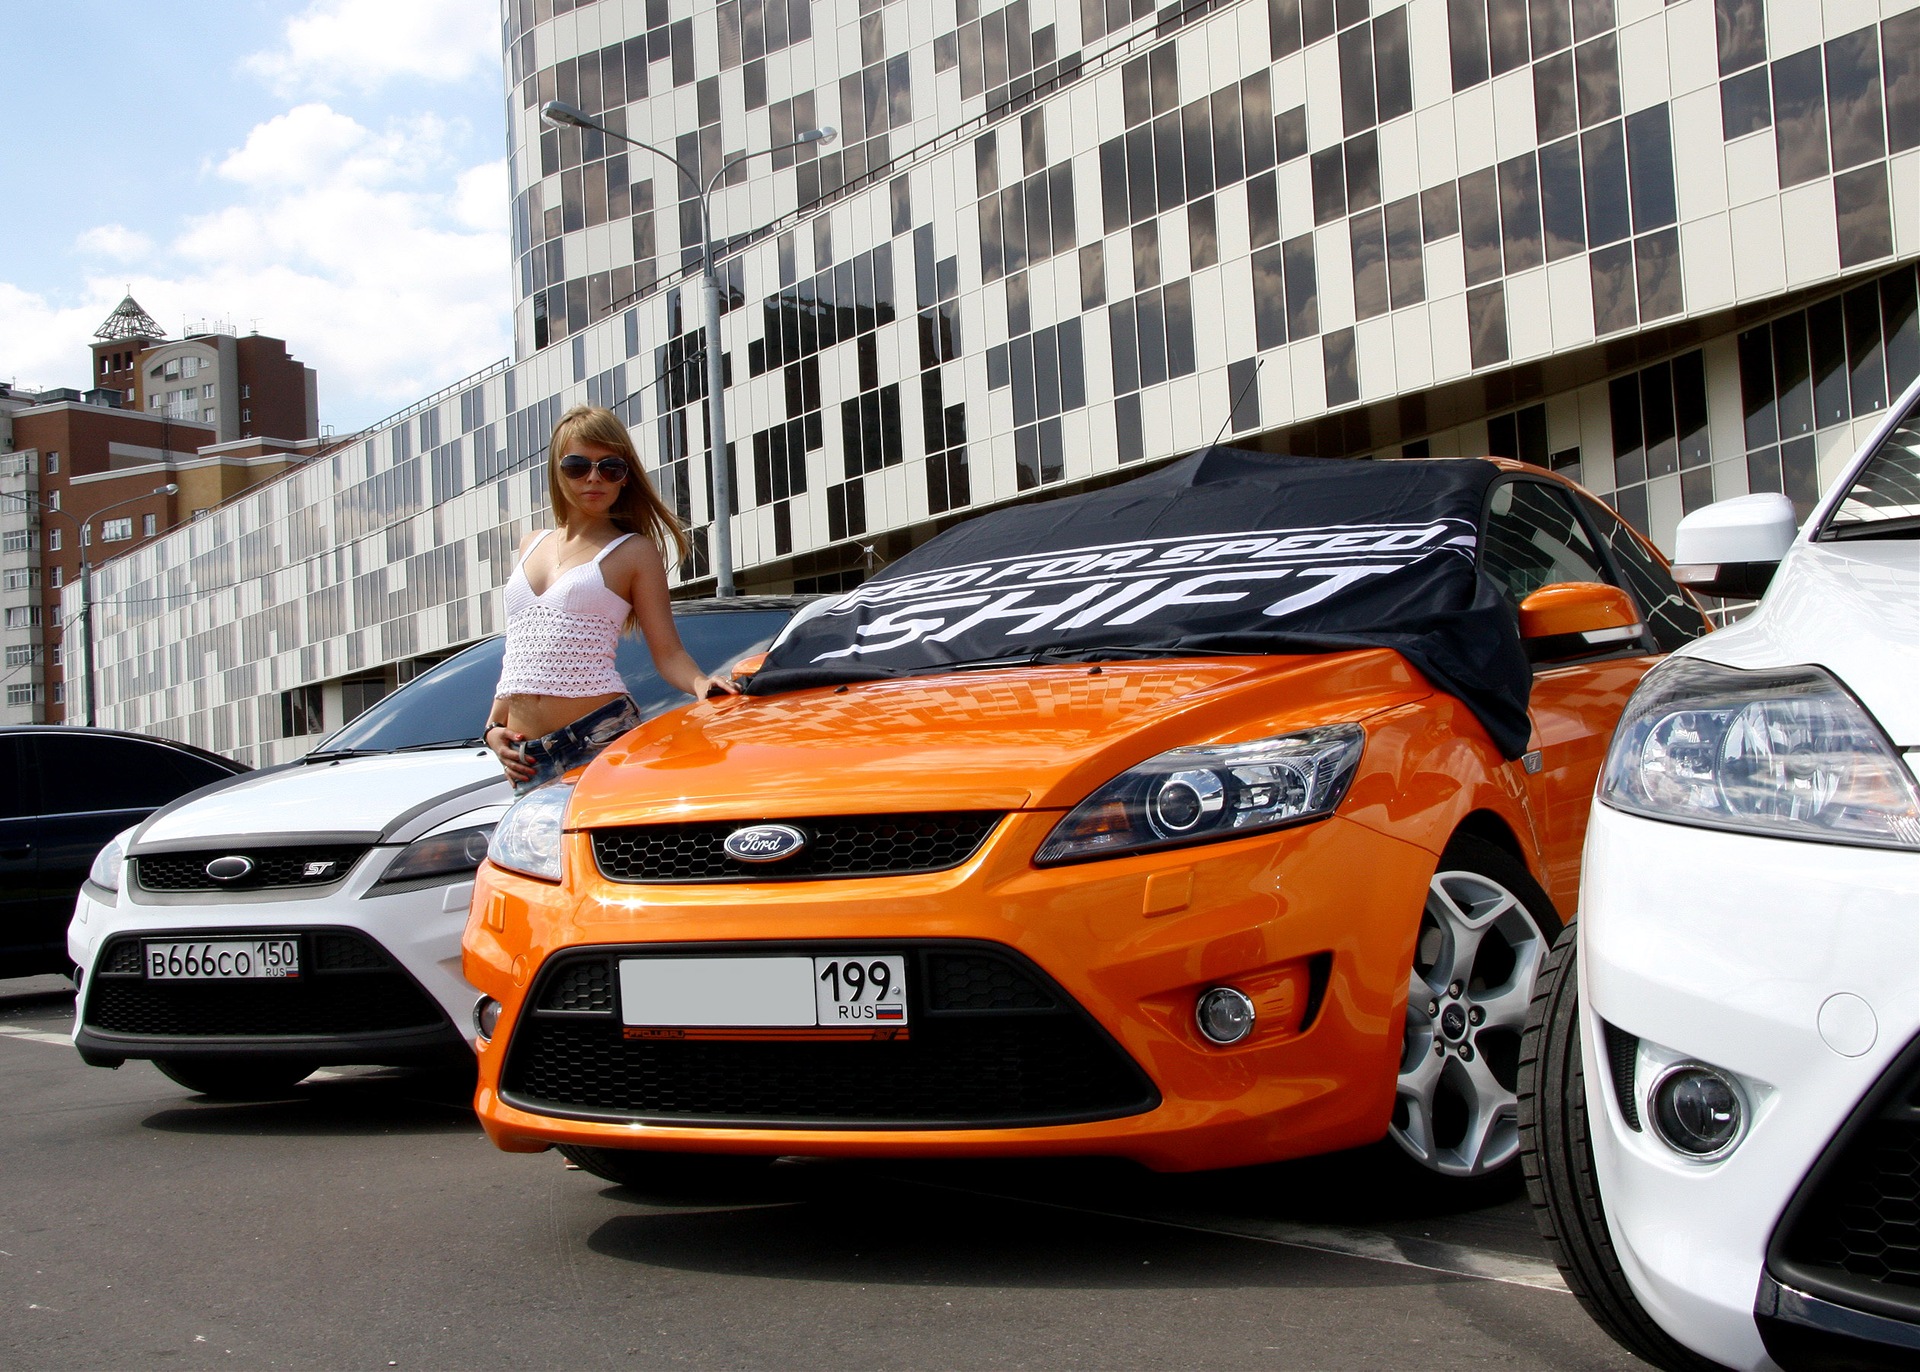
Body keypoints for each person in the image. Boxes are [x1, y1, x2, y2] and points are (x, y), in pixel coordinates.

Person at [484, 405, 737, 792]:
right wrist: (492, 728)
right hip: (528, 755)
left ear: (625, 477)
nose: (593, 478)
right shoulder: (529, 544)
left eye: (610, 467)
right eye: (577, 465)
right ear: (556, 469)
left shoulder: (634, 551)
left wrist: (702, 683)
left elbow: (668, 653)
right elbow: (520, 651)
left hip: (597, 740)